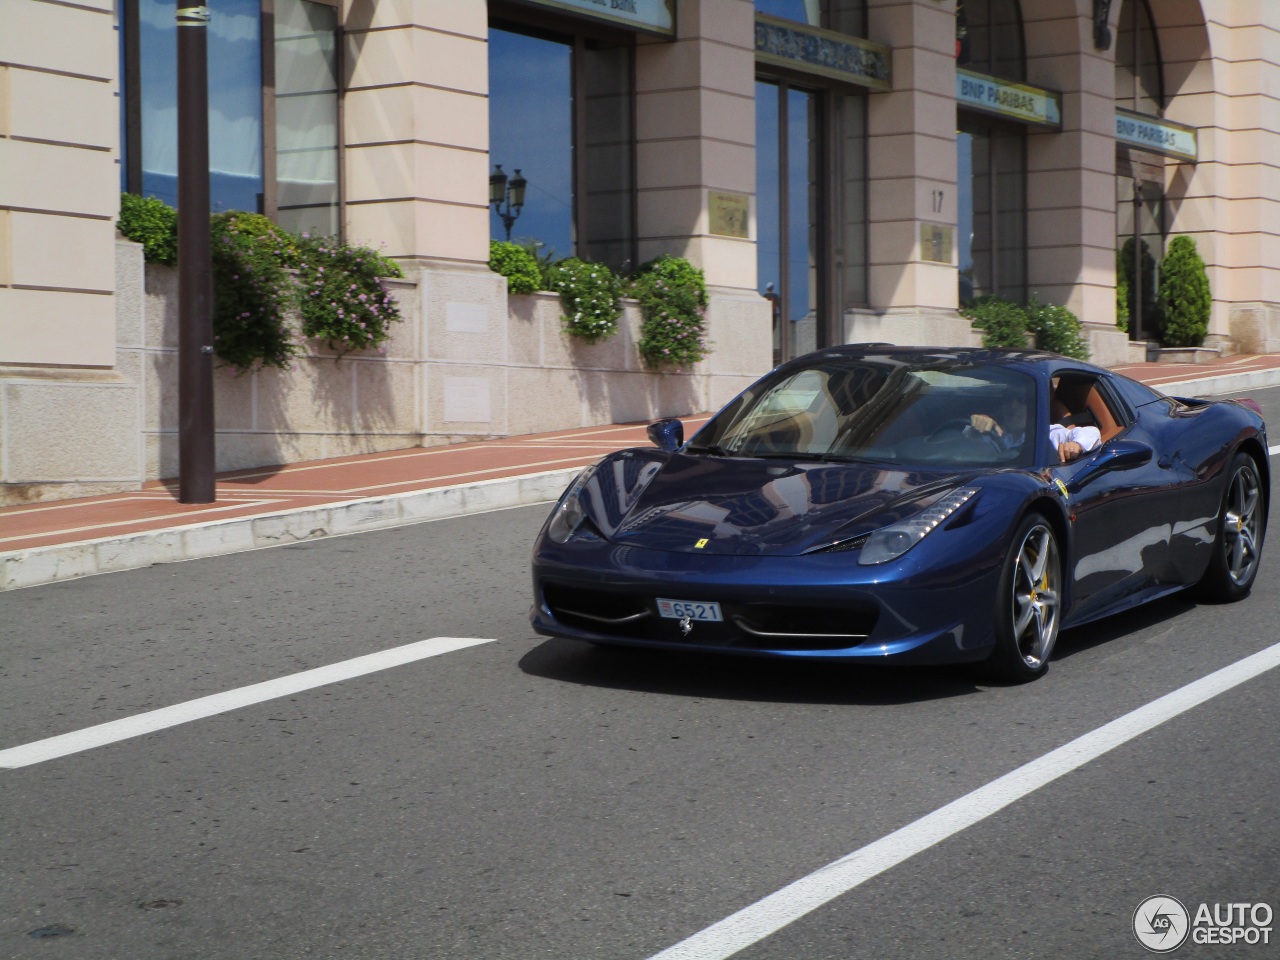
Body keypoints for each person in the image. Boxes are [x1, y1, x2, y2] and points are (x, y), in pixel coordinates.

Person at [967, 391, 1100, 462]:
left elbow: (1092, 433)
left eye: (1022, 400)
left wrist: (1076, 445)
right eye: (1008, 398)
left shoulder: (1046, 434)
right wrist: (974, 429)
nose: (1013, 406)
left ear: (1034, 407)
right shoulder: (987, 434)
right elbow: (954, 447)